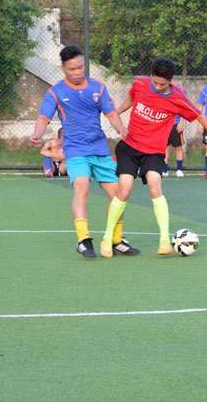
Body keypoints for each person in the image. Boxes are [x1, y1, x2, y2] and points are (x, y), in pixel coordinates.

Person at [99, 57, 207, 258]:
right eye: (155, 82)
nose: (158, 87)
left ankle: (164, 241)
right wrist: (115, 113)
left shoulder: (178, 98)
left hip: (154, 151)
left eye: (163, 84)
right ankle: (107, 238)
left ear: (170, 80)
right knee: (124, 189)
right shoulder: (140, 84)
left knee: (155, 185)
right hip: (130, 146)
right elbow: (132, 99)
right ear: (151, 76)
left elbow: (201, 117)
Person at [29, 44, 139, 259]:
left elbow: (111, 114)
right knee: (82, 188)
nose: (78, 72)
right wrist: (36, 134)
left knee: (119, 194)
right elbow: (43, 118)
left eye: (80, 67)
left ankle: (116, 240)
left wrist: (121, 129)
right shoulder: (55, 92)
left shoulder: (98, 87)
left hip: (100, 150)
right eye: (72, 69)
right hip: (75, 150)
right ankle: (83, 240)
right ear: (63, 69)